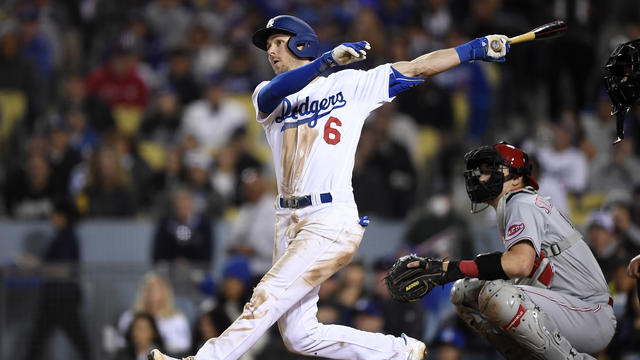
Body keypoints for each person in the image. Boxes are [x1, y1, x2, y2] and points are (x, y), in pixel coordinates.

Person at [150, 14, 511, 360]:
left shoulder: (350, 83)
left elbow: (416, 67)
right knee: (299, 335)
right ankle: (398, 352)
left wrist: (474, 49)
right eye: (269, 45)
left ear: (302, 43)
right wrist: (324, 62)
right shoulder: (270, 94)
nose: (271, 51)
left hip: (329, 215)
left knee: (267, 295)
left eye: (278, 42)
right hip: (287, 218)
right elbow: (269, 96)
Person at [406, 143, 616, 359]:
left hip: (590, 314)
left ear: (516, 178)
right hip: (569, 309)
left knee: (497, 295)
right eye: (480, 171)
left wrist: (451, 268)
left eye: (490, 170)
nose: (481, 177)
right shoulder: (517, 205)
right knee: (464, 292)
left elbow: (520, 265)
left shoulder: (521, 202)